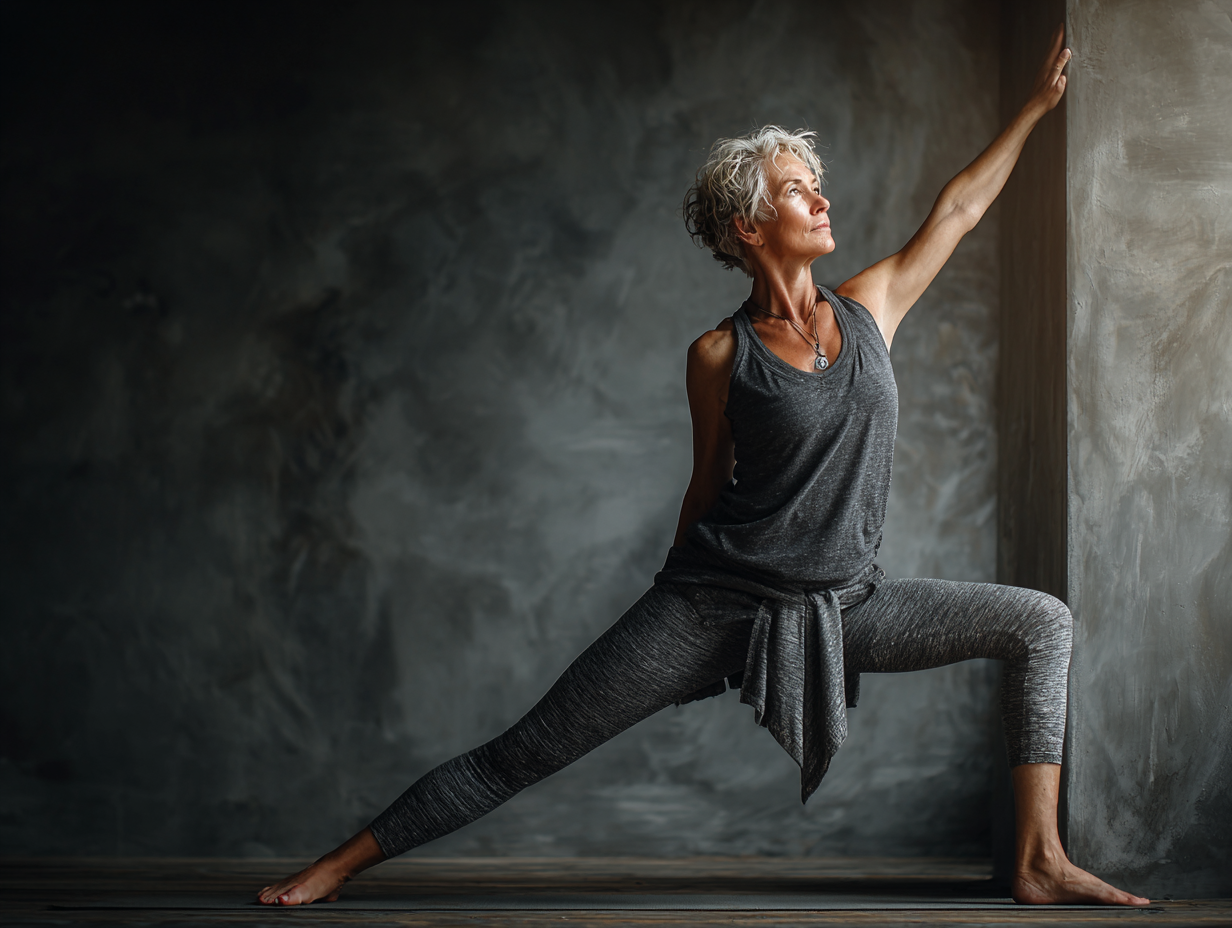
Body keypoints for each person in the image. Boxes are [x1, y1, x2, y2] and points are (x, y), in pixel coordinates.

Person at [258, 27, 1148, 908]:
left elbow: (956, 210)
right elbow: (705, 482)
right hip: (714, 601)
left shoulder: (873, 308)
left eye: (819, 187)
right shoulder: (718, 355)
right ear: (750, 225)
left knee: (1041, 622)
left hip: (846, 604)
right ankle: (335, 867)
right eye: (801, 193)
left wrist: (1034, 108)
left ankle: (1040, 860)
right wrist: (669, 622)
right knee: (527, 749)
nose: (822, 202)